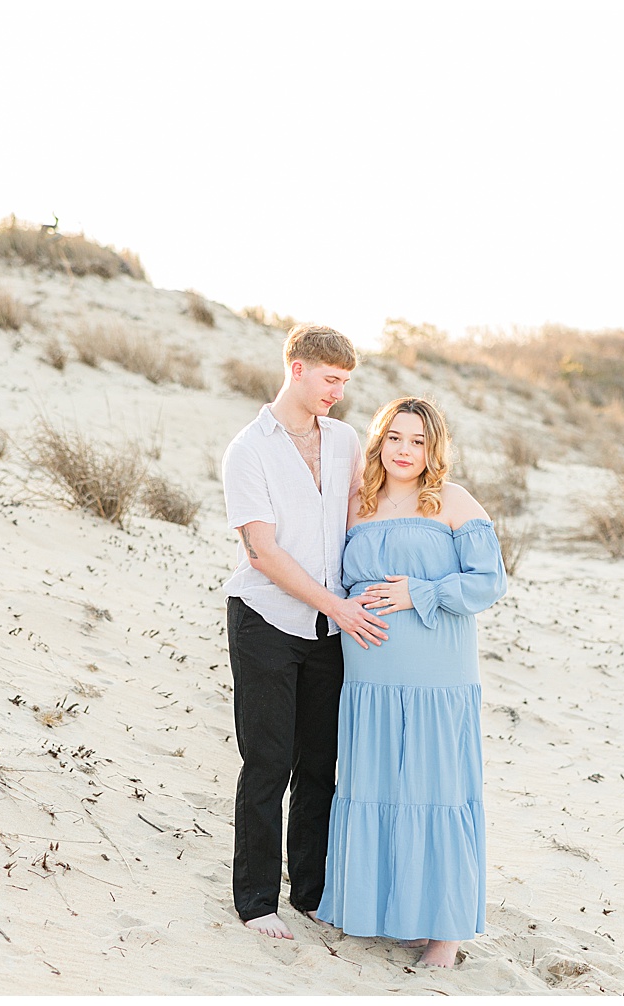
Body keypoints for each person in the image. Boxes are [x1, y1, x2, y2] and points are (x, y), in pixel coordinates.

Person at [315, 397, 507, 968]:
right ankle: (395, 912)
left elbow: (489, 580)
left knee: (435, 785)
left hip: (434, 671)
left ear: (434, 448)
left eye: (418, 441)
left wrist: (418, 592)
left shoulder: (451, 500)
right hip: (370, 673)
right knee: (380, 782)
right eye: (395, 438)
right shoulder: (356, 503)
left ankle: (444, 932)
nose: (405, 451)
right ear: (379, 442)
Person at [221, 325, 390, 942]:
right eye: (330, 379)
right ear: (297, 368)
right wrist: (338, 608)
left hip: (330, 624)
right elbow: (261, 552)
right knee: (267, 760)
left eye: (346, 382)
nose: (339, 394)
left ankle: (310, 892)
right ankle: (256, 900)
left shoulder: (344, 439)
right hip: (266, 618)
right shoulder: (249, 449)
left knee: (320, 764)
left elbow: (361, 510)